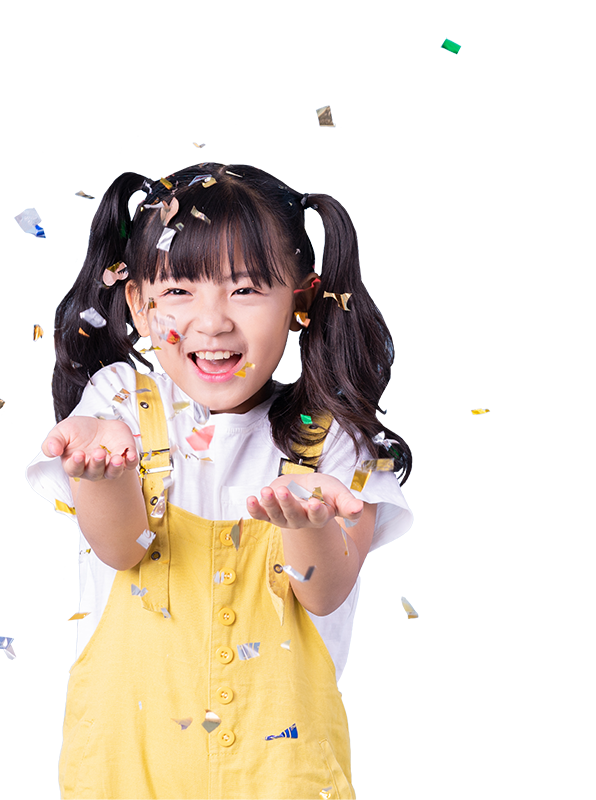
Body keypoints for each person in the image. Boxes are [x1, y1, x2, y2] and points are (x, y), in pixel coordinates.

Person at [24, 163, 414, 799]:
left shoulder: (332, 439)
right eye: (179, 290)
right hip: (126, 773)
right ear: (139, 307)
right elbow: (121, 551)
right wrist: (101, 474)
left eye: (247, 288)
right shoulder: (120, 400)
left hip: (280, 778)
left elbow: (325, 595)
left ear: (302, 303)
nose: (212, 321)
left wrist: (309, 528)